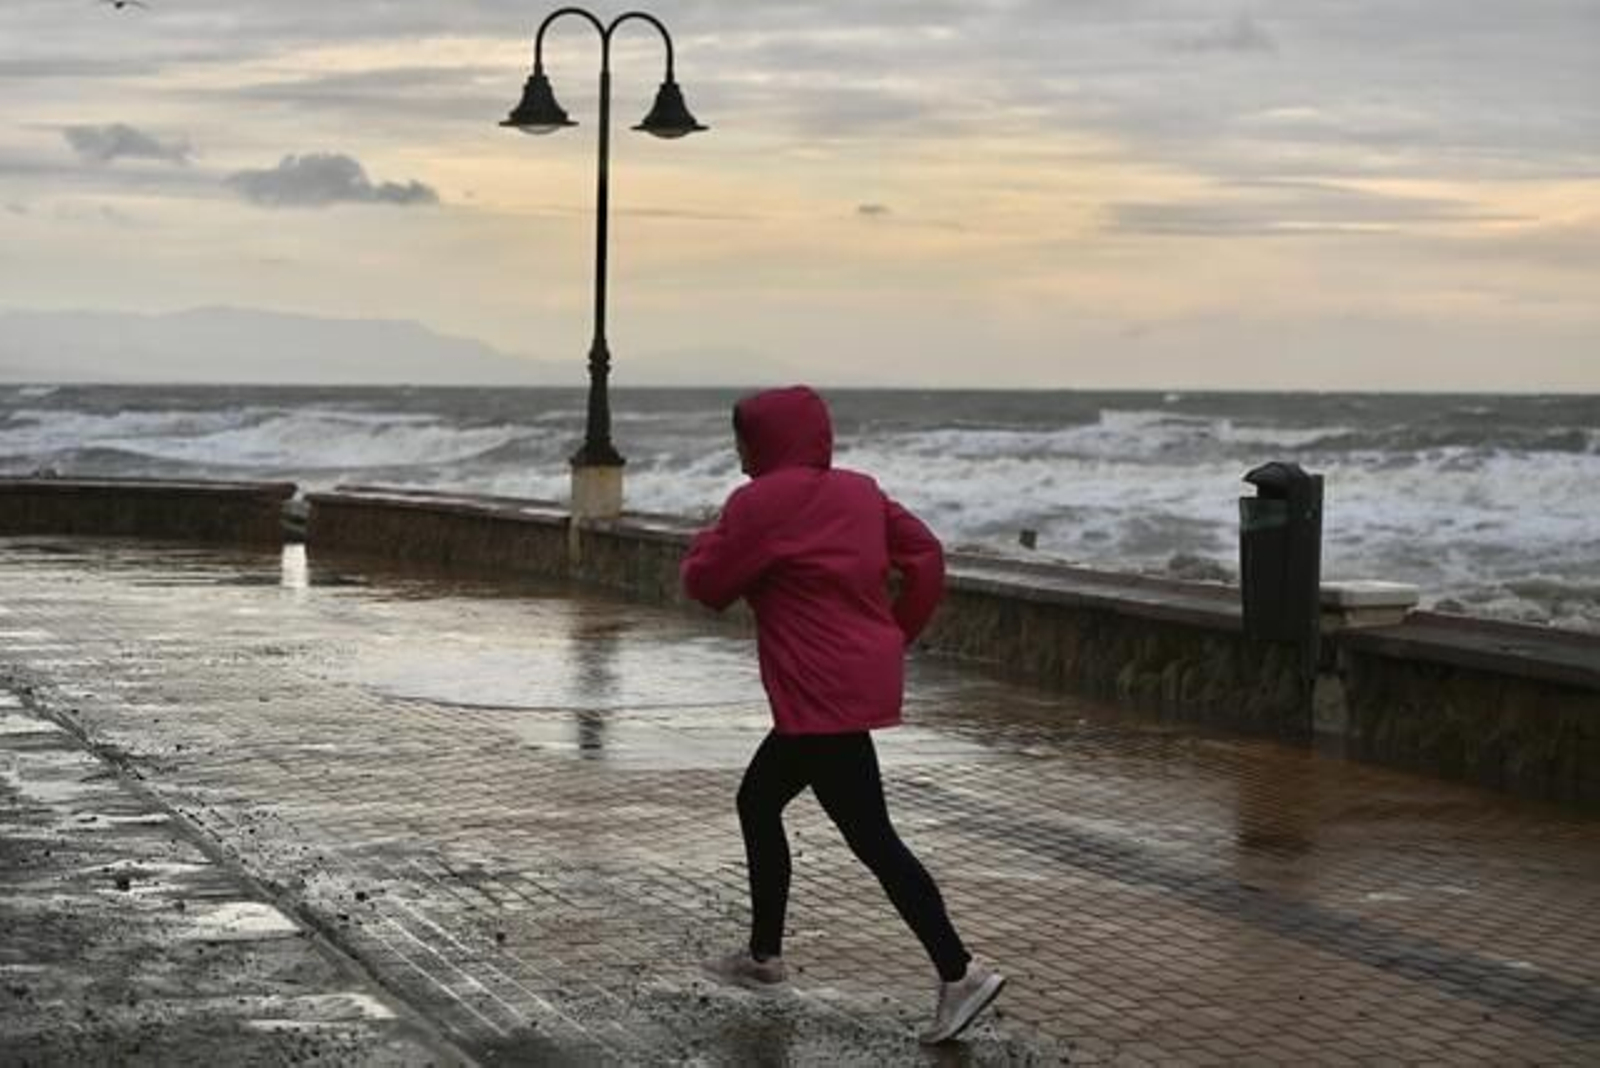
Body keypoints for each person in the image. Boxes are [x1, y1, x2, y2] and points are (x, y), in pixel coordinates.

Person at [681, 385, 1004, 1044]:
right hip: (846, 685)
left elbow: (707, 585)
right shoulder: (860, 492)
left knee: (872, 837)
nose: (740, 453)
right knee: (759, 800)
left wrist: (714, 530)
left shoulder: (759, 504)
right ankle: (764, 956)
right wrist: (893, 632)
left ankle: (959, 970)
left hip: (816, 698)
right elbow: (926, 558)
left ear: (766, 441)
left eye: (744, 440)